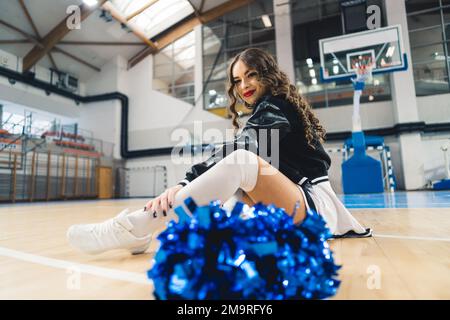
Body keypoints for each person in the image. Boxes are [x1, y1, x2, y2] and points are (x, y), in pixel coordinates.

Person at [67, 48, 371, 255]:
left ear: (268, 74)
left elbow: (246, 147)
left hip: (312, 205)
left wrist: (185, 182)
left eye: (251, 75)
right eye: (238, 80)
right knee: (230, 198)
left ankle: (137, 226)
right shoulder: (270, 108)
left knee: (241, 161)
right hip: (294, 199)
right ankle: (145, 229)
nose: (243, 85)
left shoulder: (278, 105)